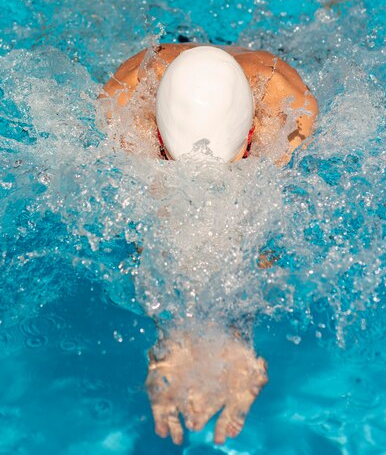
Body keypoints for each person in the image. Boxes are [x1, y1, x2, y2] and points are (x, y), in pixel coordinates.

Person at [99, 42, 318, 445]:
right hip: (151, 55)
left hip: (270, 50)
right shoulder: (123, 112)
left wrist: (238, 336)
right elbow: (150, 228)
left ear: (254, 136)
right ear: (159, 146)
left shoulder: (291, 114)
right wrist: (172, 334)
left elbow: (258, 227)